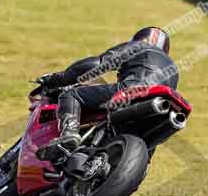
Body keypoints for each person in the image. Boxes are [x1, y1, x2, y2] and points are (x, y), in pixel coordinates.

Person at [38, 27, 176, 155]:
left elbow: (96, 65)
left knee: (71, 95)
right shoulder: (173, 68)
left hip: (132, 91)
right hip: (159, 110)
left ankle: (68, 135)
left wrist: (57, 79)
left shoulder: (140, 46)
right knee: (147, 144)